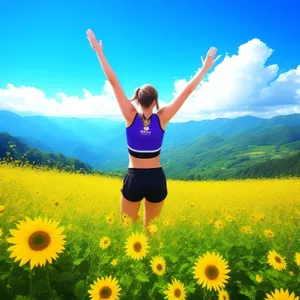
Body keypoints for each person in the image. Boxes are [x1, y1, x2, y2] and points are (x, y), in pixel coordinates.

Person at [86, 29, 220, 229]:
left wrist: (98, 51)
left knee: (127, 230)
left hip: (134, 178)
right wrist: (205, 68)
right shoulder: (163, 117)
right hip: (157, 178)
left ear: (137, 99)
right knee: (151, 232)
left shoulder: (130, 115)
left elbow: (113, 83)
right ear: (155, 101)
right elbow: (187, 91)